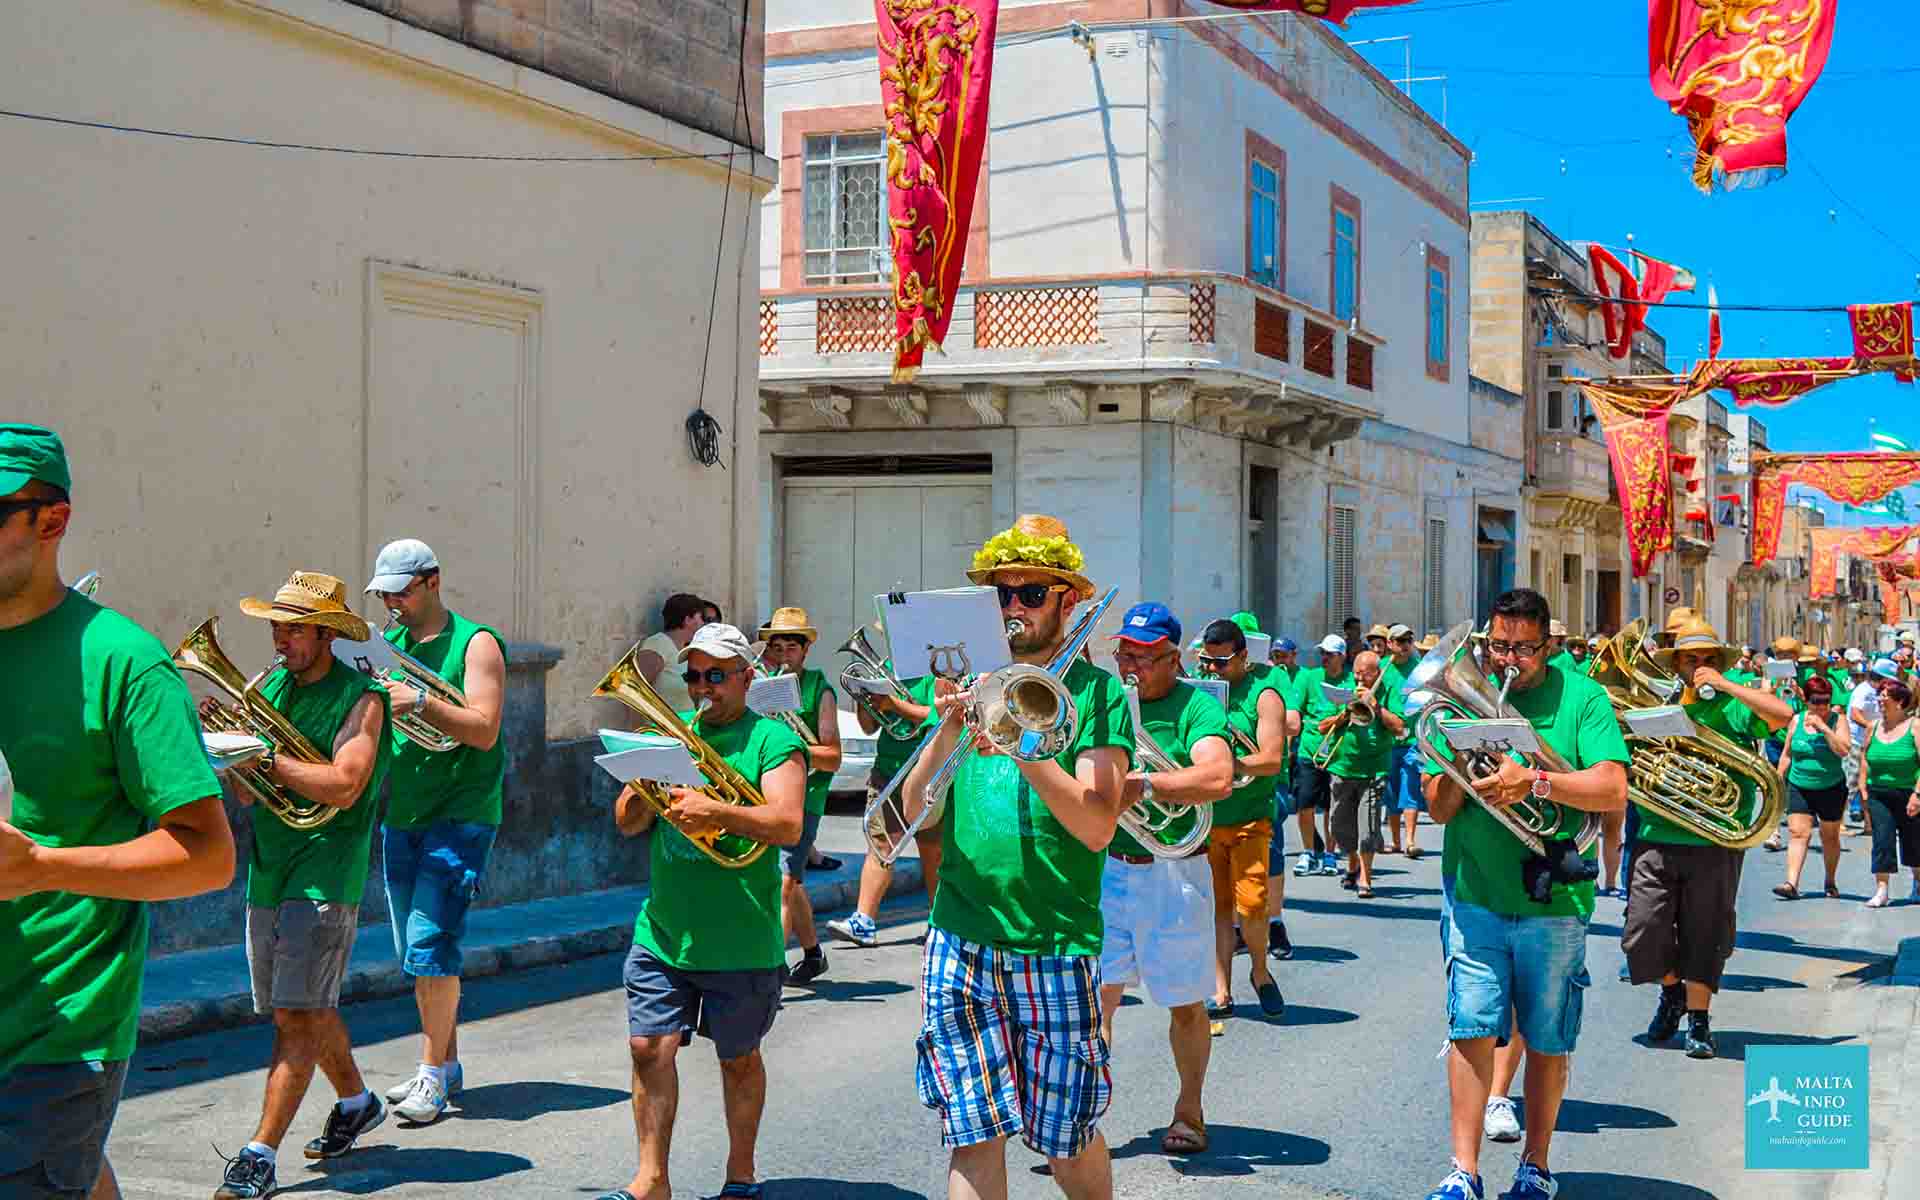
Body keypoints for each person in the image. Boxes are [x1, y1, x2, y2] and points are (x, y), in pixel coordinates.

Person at [0, 424, 236, 1200]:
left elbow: (208, 855)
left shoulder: (126, 664)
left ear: (51, 522)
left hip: (54, 1032)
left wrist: (41, 868)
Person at [903, 514, 1132, 1200]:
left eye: (1030, 595)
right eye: (1001, 595)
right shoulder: (966, 680)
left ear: (1068, 601)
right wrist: (946, 732)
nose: (1012, 609)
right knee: (972, 1133)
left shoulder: (1098, 695)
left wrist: (1021, 741)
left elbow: (1095, 825)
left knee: (1066, 1144)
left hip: (1055, 942)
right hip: (961, 935)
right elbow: (911, 812)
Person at [1419, 589, 1628, 1200]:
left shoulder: (1582, 696)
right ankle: (1464, 1171)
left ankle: (1536, 1166)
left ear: (1549, 645)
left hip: (1554, 902)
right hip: (1475, 891)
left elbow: (1611, 788)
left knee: (1547, 1036)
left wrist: (1534, 779)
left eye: (1524, 649)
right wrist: (1460, 765)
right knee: (1471, 1029)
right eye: (1498, 646)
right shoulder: (1457, 701)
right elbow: (1437, 808)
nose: (1509, 660)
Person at [600, 622, 806, 1200]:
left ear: (746, 677)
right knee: (647, 1048)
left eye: (716, 675)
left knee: (739, 1060)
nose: (701, 687)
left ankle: (740, 1175)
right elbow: (627, 824)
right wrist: (638, 783)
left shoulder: (774, 740)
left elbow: (787, 822)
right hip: (664, 930)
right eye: (693, 675)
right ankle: (652, 1178)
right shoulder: (670, 736)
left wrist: (715, 811)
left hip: (741, 934)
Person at [215, 572, 395, 1199]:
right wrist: (234, 750)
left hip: (326, 871)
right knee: (306, 1007)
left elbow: (346, 784)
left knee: (295, 1012)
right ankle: (356, 1102)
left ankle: (258, 1156)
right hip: (270, 866)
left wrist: (265, 757)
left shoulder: (365, 699)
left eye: (293, 627)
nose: (280, 638)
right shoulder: (268, 690)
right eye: (276, 625)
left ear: (325, 633)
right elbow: (243, 791)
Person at [361, 540, 508, 1126]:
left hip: (463, 814)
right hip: (405, 813)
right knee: (413, 953)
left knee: (430, 944)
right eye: (386, 593)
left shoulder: (477, 643)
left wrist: (419, 700)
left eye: (401, 590)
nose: (392, 603)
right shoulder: (387, 647)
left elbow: (484, 728)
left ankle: (431, 1076)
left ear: (433, 581)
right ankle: (445, 1067)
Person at [1623, 619, 1791, 1063]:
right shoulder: (1660, 700)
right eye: (1691, 659)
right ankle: (1671, 992)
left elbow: (1781, 716)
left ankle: (1698, 1020)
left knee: (1706, 932)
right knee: (1642, 931)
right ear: (1676, 663)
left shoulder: (1733, 703)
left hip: (1715, 839)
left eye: (1708, 659)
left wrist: (1726, 685)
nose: (1699, 666)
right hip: (1657, 832)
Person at [1099, 603, 1234, 1154]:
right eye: (1124, 653)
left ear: (1173, 658)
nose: (1130, 665)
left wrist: (1146, 785)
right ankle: (1083, 1118)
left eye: (1144, 656)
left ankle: (1189, 1109)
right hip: (1108, 868)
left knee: (1184, 1003)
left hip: (1175, 874)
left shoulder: (1195, 707)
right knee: (1093, 1000)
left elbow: (1219, 775)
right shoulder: (1106, 702)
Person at [1196, 618, 1291, 1017]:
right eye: (1207, 662)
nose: (1213, 670)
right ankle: (1221, 989)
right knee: (1217, 908)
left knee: (1252, 906)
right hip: (1207, 819)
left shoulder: (1264, 694)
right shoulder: (1198, 692)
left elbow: (1270, 759)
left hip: (1251, 817)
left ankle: (1260, 972)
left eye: (1222, 663)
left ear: (1244, 657)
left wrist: (1226, 765)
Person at [826, 626, 940, 948]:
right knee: (880, 846)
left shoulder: (937, 673)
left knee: (932, 850)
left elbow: (933, 715)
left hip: (927, 772)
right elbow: (867, 726)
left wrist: (892, 704)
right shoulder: (887, 671)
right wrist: (866, 701)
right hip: (888, 771)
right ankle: (863, 921)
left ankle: (938, 921)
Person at [755, 608, 842, 984]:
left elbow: (833, 757)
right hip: (763, 793)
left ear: (805, 651)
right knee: (791, 881)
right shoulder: (758, 685)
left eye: (792, 647)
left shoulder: (819, 689)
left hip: (804, 797)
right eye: (777, 647)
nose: (784, 655)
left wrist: (792, 751)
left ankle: (768, 969)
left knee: (784, 881)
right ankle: (812, 954)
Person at [1320, 651, 1406, 897]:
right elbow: (1321, 726)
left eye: (1365, 674)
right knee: (1339, 825)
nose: (1360, 678)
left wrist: (1377, 708)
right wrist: (1345, 713)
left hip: (1374, 769)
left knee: (1367, 828)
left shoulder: (1388, 690)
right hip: (1342, 767)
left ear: (1377, 672)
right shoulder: (1343, 689)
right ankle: (1352, 864)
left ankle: (1365, 878)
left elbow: (1400, 728)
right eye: (1356, 672)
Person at [1771, 676, 1851, 900]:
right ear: (1806, 700)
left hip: (1831, 787)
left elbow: (1843, 750)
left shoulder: (1838, 720)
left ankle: (1830, 880)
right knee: (1798, 833)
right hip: (1800, 785)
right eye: (1815, 700)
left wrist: (1824, 728)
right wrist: (1778, 778)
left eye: (1825, 700)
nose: (1821, 706)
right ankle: (1791, 883)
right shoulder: (1797, 720)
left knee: (1830, 836)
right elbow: (1787, 753)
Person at [1292, 635, 1352, 877]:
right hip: (1310, 750)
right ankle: (1308, 852)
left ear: (1342, 656)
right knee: (1304, 804)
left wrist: (1339, 719)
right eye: (1322, 653)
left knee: (1332, 808)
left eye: (1330, 654)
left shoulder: (1351, 679)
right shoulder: (1309, 677)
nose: (1324, 658)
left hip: (1338, 753)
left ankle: (1329, 854)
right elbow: (1296, 709)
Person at [1858, 680, 1920, 909]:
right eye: (1880, 695)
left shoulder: (1915, 726)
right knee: (1882, 841)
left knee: (1913, 841)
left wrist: (1917, 795)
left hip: (1909, 792)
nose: (1880, 700)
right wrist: (1862, 786)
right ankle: (1882, 890)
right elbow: (1865, 756)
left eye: (1886, 696)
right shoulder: (1872, 727)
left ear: (1900, 702)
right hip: (1878, 792)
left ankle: (1918, 883)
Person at [1384, 625, 1425, 857]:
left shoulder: (1420, 669)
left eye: (1408, 641)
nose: (1404, 646)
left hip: (1412, 739)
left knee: (1410, 788)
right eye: (1399, 641)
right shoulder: (1383, 668)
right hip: (1388, 741)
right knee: (1391, 791)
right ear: (1390, 644)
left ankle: (1410, 840)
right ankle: (1396, 841)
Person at [634, 594, 709, 717]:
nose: (703, 623)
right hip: (659, 732)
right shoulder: (657, 644)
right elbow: (636, 692)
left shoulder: (688, 649)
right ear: (688, 619)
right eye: (701, 618)